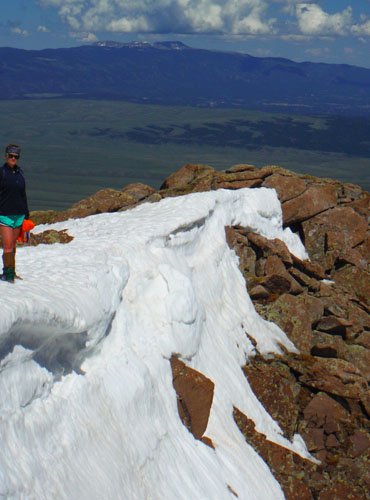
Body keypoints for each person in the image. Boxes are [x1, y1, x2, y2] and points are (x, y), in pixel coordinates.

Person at [0, 144, 30, 282]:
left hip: (19, 215)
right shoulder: (2, 172)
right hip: (4, 214)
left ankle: (12, 271)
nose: (13, 158)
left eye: (15, 156)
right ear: (6, 156)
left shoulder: (20, 173)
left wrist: (26, 214)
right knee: (7, 245)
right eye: (11, 156)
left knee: (13, 245)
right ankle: (8, 274)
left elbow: (22, 194)